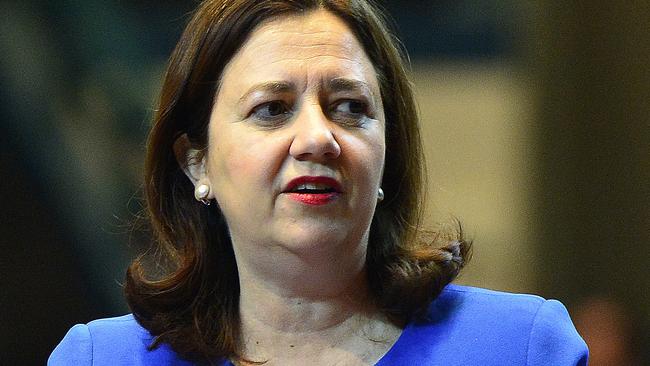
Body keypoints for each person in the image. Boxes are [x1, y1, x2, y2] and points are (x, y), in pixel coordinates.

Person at [49, 0, 588, 365]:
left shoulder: (521, 348)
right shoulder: (100, 359)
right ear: (197, 164)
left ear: (387, 152)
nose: (317, 138)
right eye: (272, 109)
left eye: (350, 108)